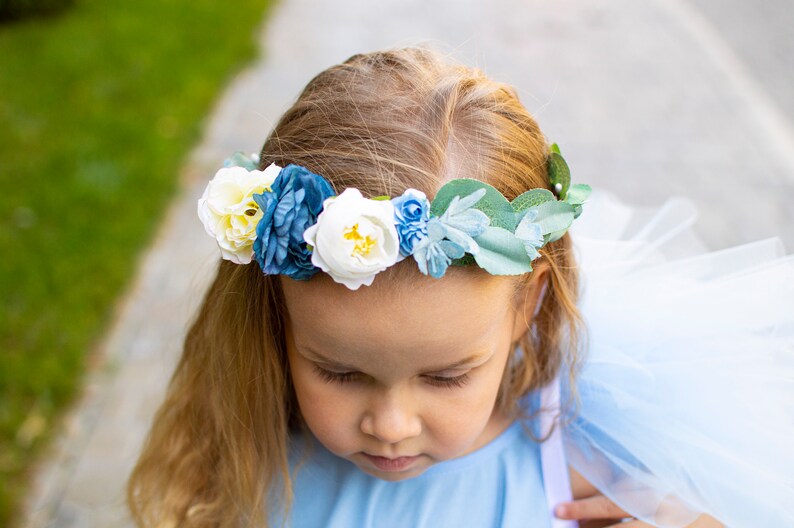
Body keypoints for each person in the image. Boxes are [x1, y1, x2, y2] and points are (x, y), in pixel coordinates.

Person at [127, 46, 793, 527]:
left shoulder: (593, 473)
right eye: (339, 372)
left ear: (526, 302)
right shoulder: (253, 463)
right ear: (276, 316)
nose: (390, 426)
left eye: (446, 377)